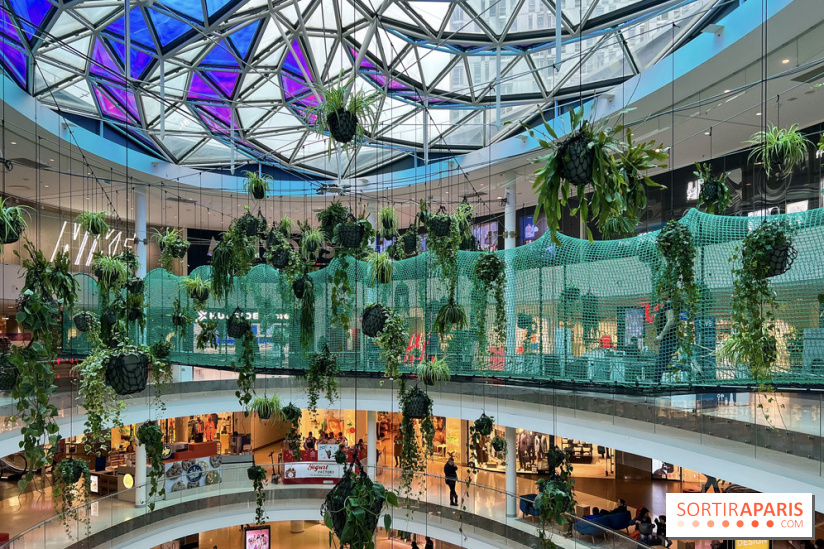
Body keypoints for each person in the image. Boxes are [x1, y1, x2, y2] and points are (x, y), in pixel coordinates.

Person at [654, 291, 679, 382]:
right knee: (662, 364)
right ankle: (656, 382)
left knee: (660, 364)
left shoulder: (669, 305)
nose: (659, 294)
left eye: (662, 291)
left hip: (668, 340)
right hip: (668, 340)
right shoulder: (666, 305)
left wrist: (661, 335)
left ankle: (655, 383)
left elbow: (671, 320)